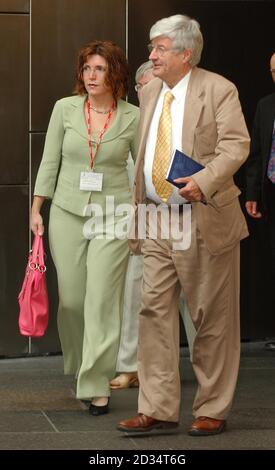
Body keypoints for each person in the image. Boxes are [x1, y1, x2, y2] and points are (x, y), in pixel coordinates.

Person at [117, 14, 250, 436]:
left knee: (211, 316)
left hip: (202, 217)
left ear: (184, 53)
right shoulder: (152, 89)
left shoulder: (219, 89)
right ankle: (156, 407)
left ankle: (212, 406)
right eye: (152, 47)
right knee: (152, 311)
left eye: (158, 48)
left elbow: (236, 145)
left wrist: (204, 179)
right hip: (157, 219)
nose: (151, 55)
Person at [31, 40, 139, 415]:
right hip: (67, 212)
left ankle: (95, 383)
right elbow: (49, 161)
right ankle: (81, 364)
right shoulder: (65, 109)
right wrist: (37, 208)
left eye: (100, 69)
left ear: (115, 74)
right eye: (86, 69)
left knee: (101, 302)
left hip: (114, 214)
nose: (91, 76)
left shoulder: (132, 117)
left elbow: (141, 172)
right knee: (74, 301)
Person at [110, 61, 196, 390]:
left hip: (184, 214)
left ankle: (205, 366)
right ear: (138, 89)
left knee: (192, 295)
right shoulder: (129, 120)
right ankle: (131, 365)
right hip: (142, 218)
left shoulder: (185, 114)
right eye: (149, 85)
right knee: (136, 292)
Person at [245, 52, 275, 351]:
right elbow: (256, 154)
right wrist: (252, 193)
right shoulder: (266, 106)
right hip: (271, 193)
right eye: (273, 70)